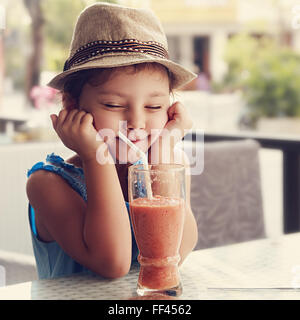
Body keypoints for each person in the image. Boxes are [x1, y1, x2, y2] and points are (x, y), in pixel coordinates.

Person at [26, 2, 199, 280]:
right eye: (112, 104)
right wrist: (96, 157)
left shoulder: (170, 163)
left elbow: (174, 253)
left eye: (154, 107)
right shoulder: (48, 184)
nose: (137, 123)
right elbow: (112, 264)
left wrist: (164, 151)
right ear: (71, 107)